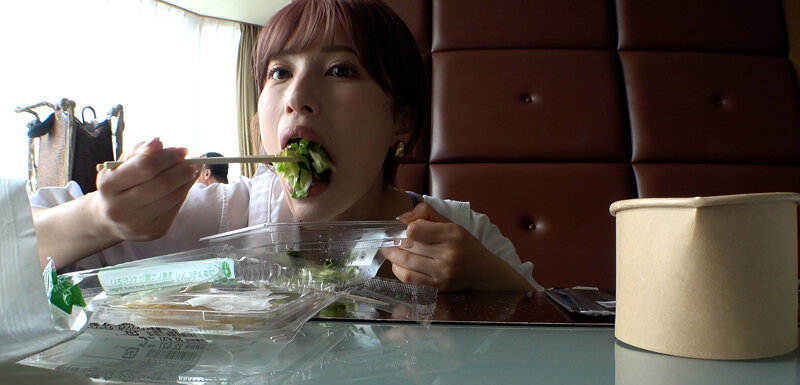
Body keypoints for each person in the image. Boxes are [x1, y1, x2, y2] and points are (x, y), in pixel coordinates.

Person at [30, 0, 542, 292]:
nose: (296, 97)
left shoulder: (461, 233)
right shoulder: (225, 218)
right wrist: (100, 218)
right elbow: (19, 251)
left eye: (340, 70)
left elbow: (555, 352)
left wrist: (494, 283)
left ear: (400, 124)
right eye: (279, 72)